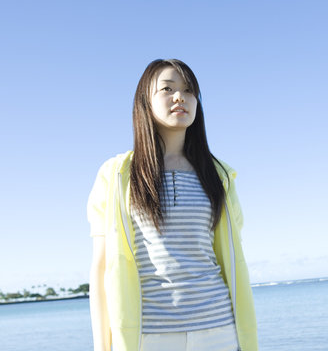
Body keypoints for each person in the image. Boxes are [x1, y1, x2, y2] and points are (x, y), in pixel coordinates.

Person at [87, 59, 258, 351]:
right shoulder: (117, 174)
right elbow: (101, 269)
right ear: (145, 101)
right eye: (168, 89)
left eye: (189, 90)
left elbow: (230, 254)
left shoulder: (220, 176)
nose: (180, 96)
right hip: (148, 335)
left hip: (219, 330)